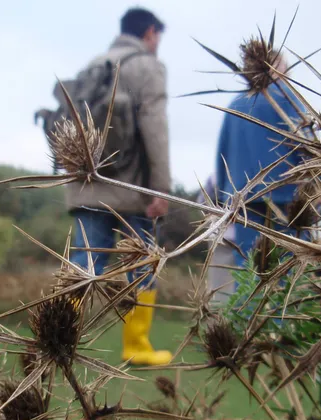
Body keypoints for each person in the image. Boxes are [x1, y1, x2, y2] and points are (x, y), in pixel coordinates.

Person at [66, 7, 172, 366]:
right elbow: (155, 129)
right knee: (141, 265)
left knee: (84, 264)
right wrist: (161, 189)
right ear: (150, 33)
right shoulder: (147, 67)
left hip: (84, 184)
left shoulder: (94, 65)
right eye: (158, 36)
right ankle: (136, 346)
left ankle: (60, 338)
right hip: (131, 190)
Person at [213, 56, 310, 268]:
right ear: (278, 67)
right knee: (293, 267)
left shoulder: (235, 104)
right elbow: (307, 146)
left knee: (249, 269)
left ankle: (252, 302)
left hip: (243, 200)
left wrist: (223, 197)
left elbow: (222, 155)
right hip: (288, 198)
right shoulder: (287, 98)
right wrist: (318, 187)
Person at [198, 174, 236, 305]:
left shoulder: (215, 177)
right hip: (222, 240)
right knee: (221, 289)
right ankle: (220, 323)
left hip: (220, 236)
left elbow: (202, 204)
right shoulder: (215, 177)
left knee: (219, 289)